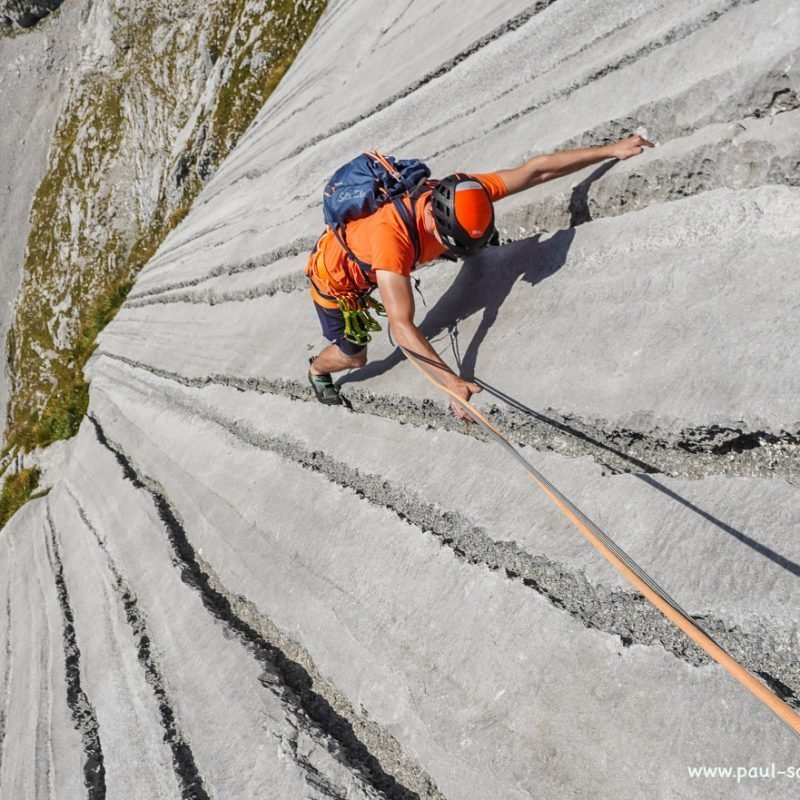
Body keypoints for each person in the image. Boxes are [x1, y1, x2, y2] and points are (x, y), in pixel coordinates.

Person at [307, 135, 654, 419]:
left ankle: (467, 243)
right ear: (435, 224)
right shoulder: (391, 239)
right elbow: (401, 326)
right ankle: (317, 371)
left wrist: (611, 150)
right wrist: (452, 383)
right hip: (337, 283)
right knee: (356, 356)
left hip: (393, 251)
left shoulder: (462, 192)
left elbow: (535, 172)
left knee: (479, 241)